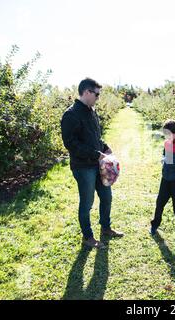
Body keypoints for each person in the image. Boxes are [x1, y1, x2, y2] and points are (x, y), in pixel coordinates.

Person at [61, 78, 124, 249]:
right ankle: (87, 237)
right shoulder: (71, 115)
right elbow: (71, 144)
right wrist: (96, 154)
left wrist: (105, 148)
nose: (98, 97)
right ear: (87, 92)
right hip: (83, 167)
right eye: (96, 94)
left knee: (106, 197)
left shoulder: (92, 112)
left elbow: (95, 137)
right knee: (87, 202)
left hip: (98, 164)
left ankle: (105, 228)